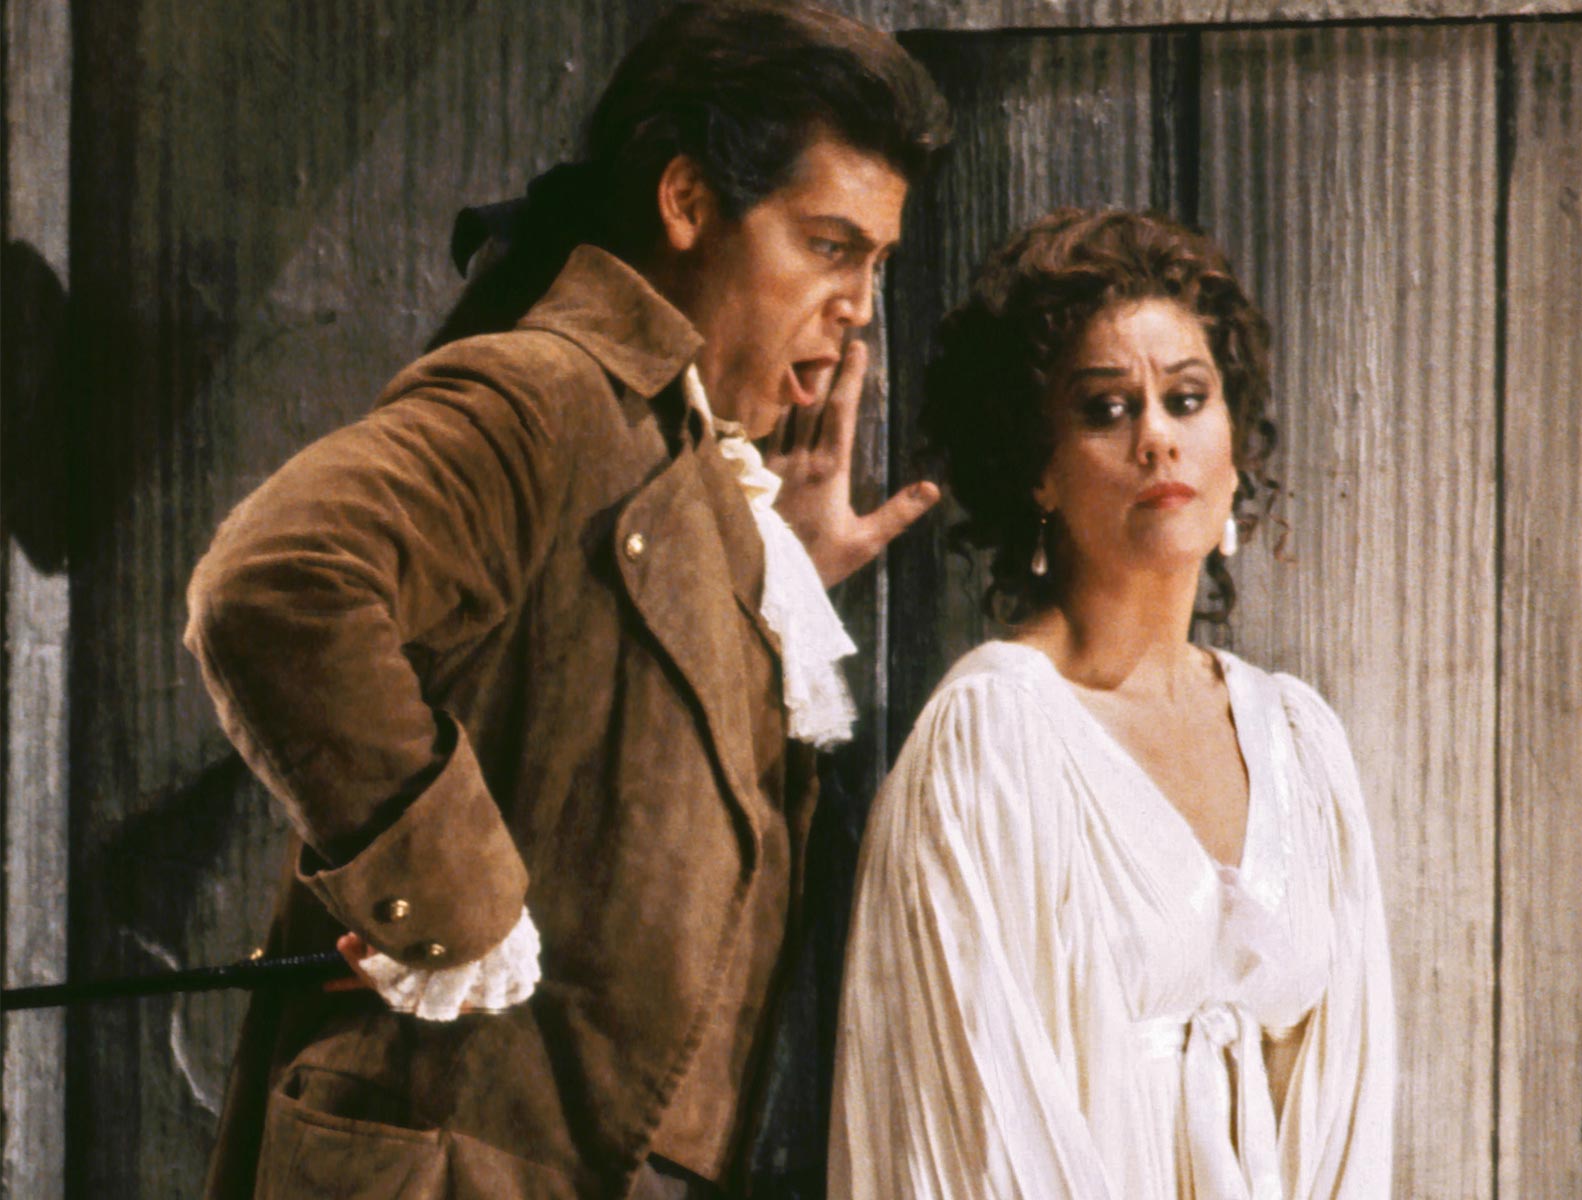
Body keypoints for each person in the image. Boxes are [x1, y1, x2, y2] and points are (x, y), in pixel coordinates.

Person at [184, 4, 949, 1197]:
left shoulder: (688, 463)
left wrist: (769, 569)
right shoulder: (547, 392)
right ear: (687, 201)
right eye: (827, 245)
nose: (858, 303)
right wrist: (453, 904)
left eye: (876, 263)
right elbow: (280, 584)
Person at [828, 208, 1396, 1198]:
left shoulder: (1298, 742)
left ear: (1234, 447)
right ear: (1038, 468)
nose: (1157, 439)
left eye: (1187, 399)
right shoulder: (991, 744)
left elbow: (1350, 1101)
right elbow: (976, 1141)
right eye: (1105, 409)